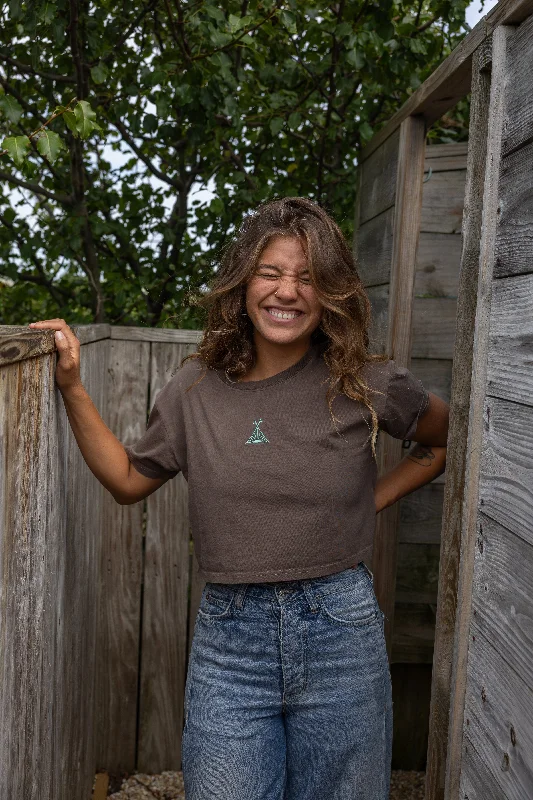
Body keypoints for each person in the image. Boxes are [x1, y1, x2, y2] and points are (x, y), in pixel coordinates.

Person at [28, 196, 449, 800]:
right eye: (271, 272)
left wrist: (368, 501)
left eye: (308, 277)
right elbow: (126, 481)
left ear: (331, 291)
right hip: (231, 644)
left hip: (341, 632)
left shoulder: (367, 383)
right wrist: (71, 387)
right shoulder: (193, 390)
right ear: (243, 284)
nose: (288, 291)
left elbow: (441, 443)